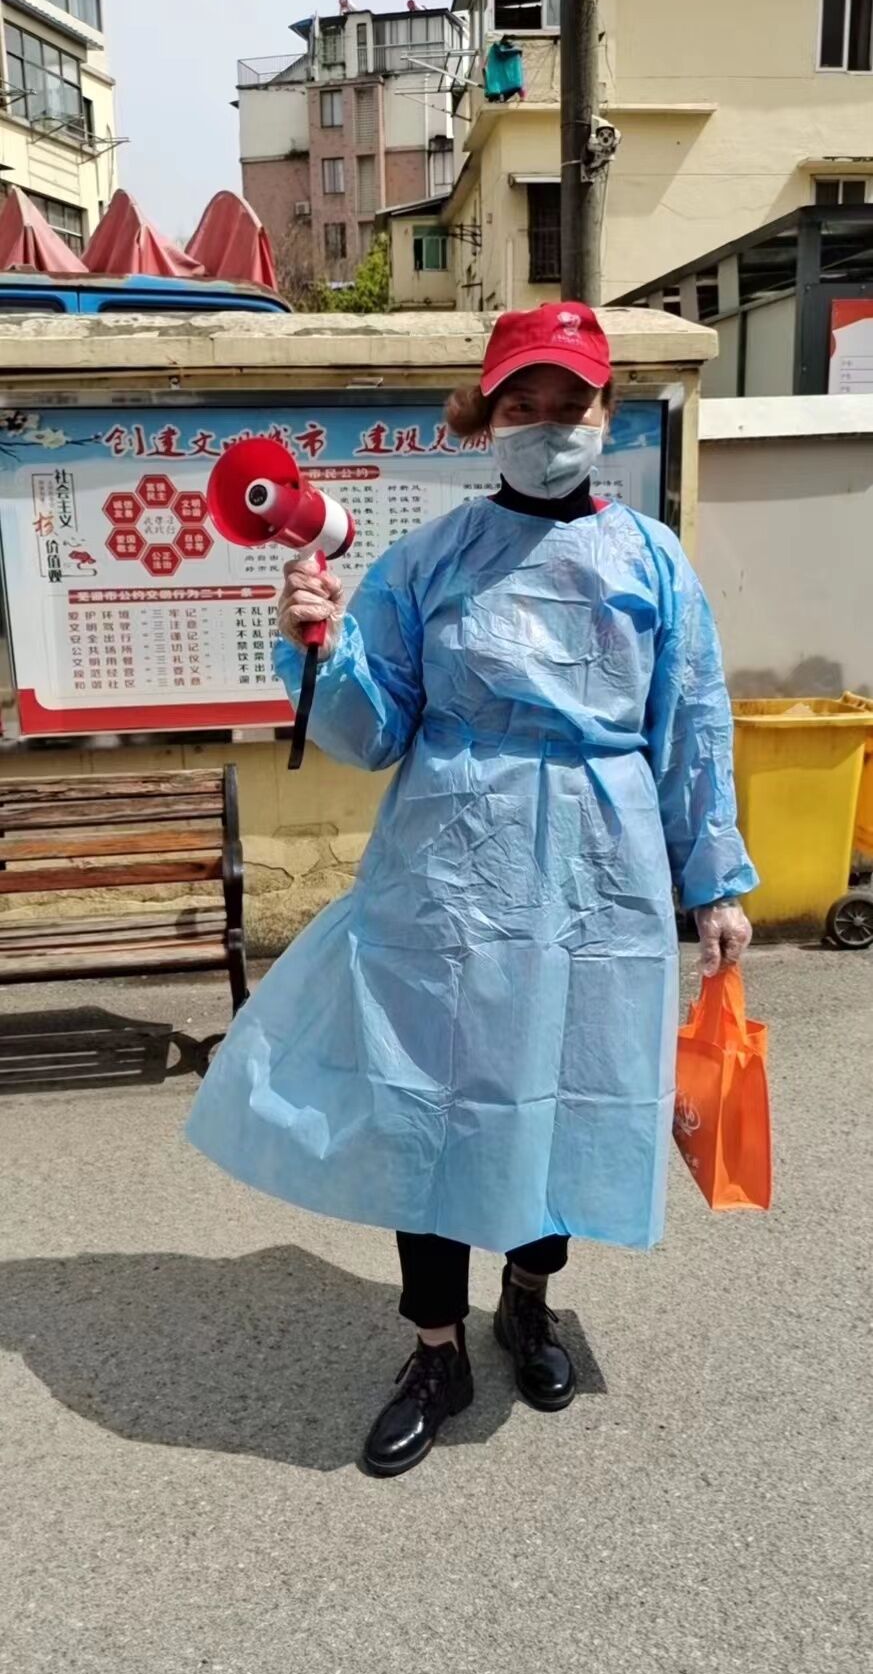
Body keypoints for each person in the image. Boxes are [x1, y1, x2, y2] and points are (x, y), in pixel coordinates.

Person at [188, 302, 756, 1479]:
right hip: (449, 871)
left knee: (574, 1090)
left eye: (570, 403)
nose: (548, 424)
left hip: (602, 872)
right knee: (431, 1107)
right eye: (522, 403)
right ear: (485, 416)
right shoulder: (431, 559)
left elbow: (692, 726)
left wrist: (717, 884)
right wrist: (320, 647)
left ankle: (529, 1305)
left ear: (605, 411)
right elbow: (371, 729)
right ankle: (436, 1349)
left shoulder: (654, 561)